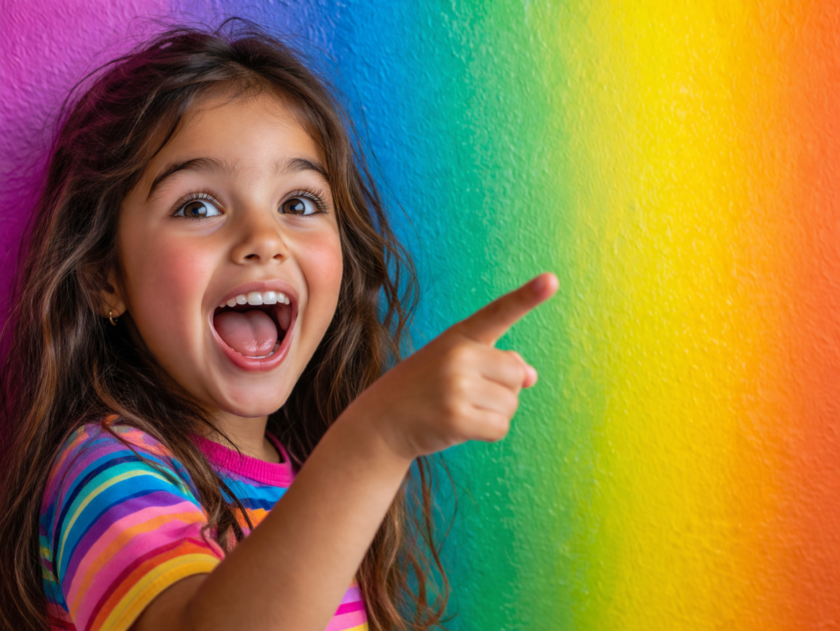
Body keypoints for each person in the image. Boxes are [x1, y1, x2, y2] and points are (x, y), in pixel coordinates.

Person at [0, 21, 558, 631]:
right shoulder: (107, 470)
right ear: (105, 278)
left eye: (298, 203)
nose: (264, 241)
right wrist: (378, 436)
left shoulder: (311, 478)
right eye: (198, 206)